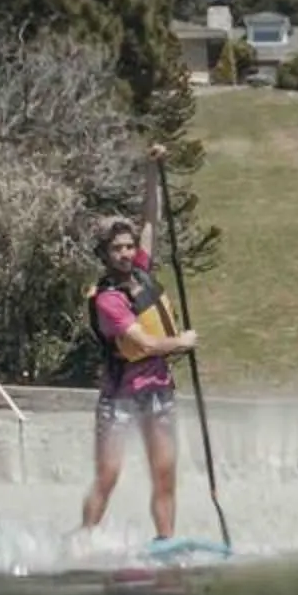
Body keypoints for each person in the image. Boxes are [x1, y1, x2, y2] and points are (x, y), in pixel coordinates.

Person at [79, 144, 201, 545]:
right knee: (108, 475)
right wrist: (181, 342)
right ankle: (85, 537)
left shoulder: (143, 274)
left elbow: (151, 218)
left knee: (164, 472)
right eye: (117, 249)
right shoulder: (108, 298)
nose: (126, 253)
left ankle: (165, 541)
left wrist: (153, 169)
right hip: (120, 398)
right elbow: (144, 343)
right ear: (105, 254)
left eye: (129, 247)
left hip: (159, 393)